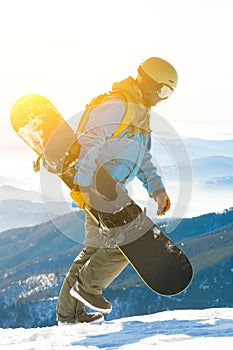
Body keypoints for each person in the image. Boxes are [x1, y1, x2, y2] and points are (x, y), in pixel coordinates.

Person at [56, 57, 178, 324]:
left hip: (111, 188)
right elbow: (89, 142)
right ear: (150, 82)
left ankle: (69, 315)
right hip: (98, 186)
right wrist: (84, 186)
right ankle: (88, 288)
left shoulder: (139, 112)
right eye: (164, 90)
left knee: (93, 251)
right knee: (131, 240)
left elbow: (143, 158)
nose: (164, 98)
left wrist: (157, 189)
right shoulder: (117, 105)